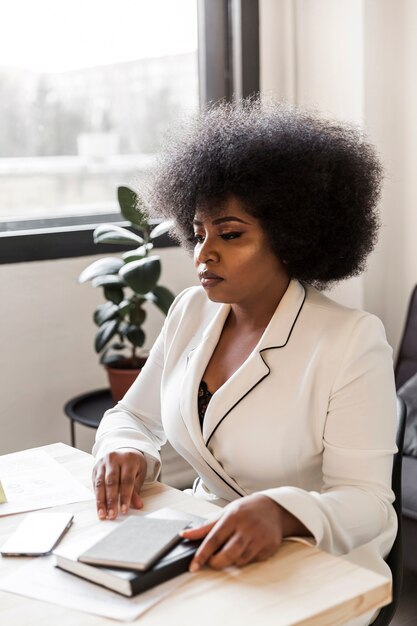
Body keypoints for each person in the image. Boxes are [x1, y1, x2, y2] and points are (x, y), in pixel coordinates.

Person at [92, 100, 397, 622]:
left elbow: (369, 501)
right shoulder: (190, 311)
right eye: (199, 231)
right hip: (203, 547)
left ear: (291, 238)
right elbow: (135, 416)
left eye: (230, 235)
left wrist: (283, 512)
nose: (203, 254)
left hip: (317, 563)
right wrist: (126, 449)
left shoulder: (351, 340)